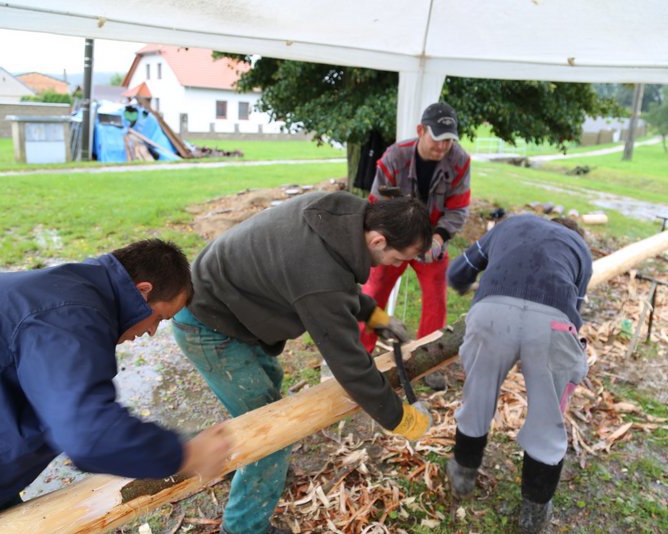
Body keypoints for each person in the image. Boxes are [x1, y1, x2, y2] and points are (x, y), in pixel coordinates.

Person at [172, 191, 434, 534]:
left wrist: (374, 315)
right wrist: (401, 419)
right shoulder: (318, 272)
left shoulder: (337, 216)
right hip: (207, 325)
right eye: (399, 258)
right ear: (378, 239)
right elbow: (350, 365)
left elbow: (331, 280)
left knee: (266, 393)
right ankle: (243, 527)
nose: (397, 266)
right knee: (269, 438)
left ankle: (248, 465)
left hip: (230, 305)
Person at [0, 239, 231, 532]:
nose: (151, 332)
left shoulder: (67, 290)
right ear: (143, 291)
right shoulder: (70, 313)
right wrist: (188, 454)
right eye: (159, 318)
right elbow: (89, 434)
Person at [445, 215, 593, 534]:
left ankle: (463, 475)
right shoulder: (580, 248)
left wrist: (462, 286)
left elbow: (460, 269)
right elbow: (575, 314)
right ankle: (534, 514)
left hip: (491, 314)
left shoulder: (514, 224)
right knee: (547, 418)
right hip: (553, 323)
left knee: (478, 397)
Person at [359, 101, 471, 374]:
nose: (443, 146)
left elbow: (458, 209)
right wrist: (394, 241)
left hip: (432, 242)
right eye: (437, 138)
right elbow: (376, 205)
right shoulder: (394, 157)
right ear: (421, 130)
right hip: (394, 239)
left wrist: (439, 237)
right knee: (372, 293)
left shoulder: (460, 161)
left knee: (436, 299)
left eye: (449, 140)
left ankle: (429, 361)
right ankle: (360, 355)